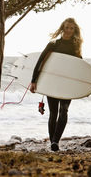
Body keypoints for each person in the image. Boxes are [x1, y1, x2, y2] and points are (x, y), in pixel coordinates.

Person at [30, 18, 83, 151]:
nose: (69, 30)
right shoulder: (54, 44)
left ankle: (55, 141)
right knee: (53, 113)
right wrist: (34, 80)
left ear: (74, 30)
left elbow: (79, 65)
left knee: (64, 110)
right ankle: (53, 142)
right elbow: (41, 61)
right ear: (62, 28)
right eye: (67, 27)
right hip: (53, 82)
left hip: (68, 83)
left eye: (72, 28)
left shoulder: (75, 45)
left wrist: (82, 86)